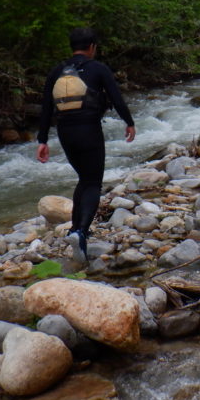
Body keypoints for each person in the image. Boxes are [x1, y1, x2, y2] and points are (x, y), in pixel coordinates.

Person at [36, 27, 135, 262]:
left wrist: (42, 140)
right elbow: (116, 98)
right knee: (93, 182)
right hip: (89, 130)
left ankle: (75, 228)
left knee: (84, 177)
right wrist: (129, 123)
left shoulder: (57, 71)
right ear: (92, 47)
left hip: (65, 133)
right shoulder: (98, 68)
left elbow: (46, 108)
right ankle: (80, 232)